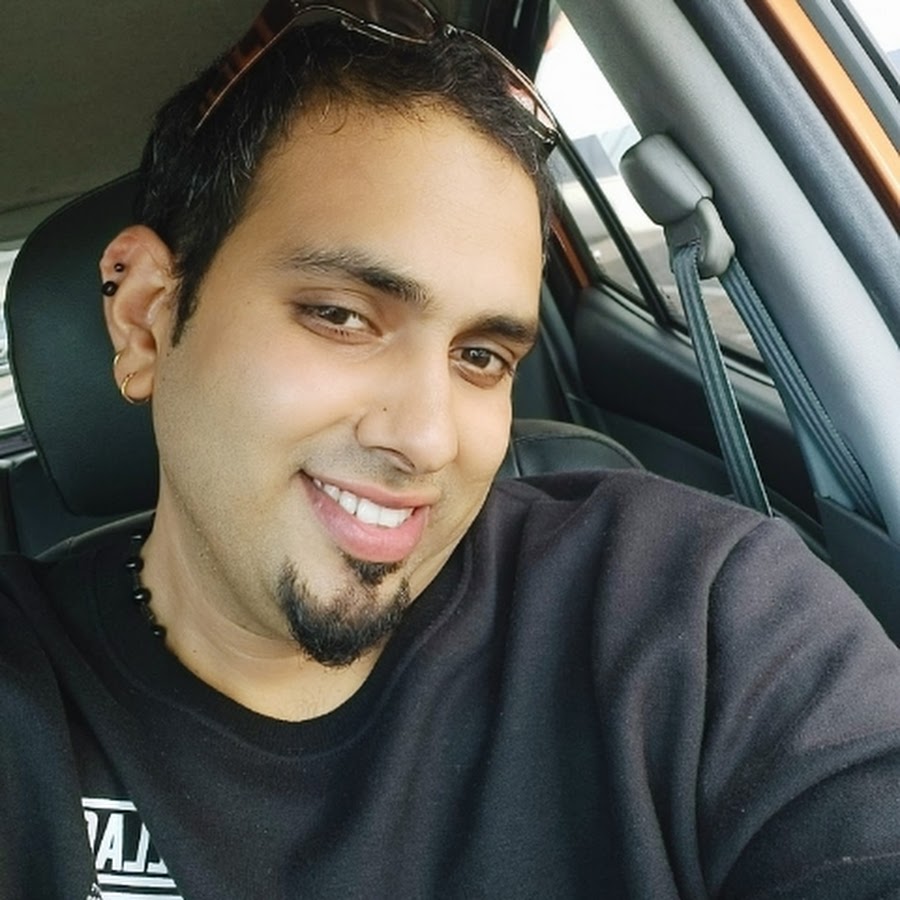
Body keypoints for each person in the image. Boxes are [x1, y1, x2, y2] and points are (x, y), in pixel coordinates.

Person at [2, 0, 900, 897]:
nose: (427, 440)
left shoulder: (695, 611)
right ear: (147, 318)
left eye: (480, 357)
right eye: (341, 316)